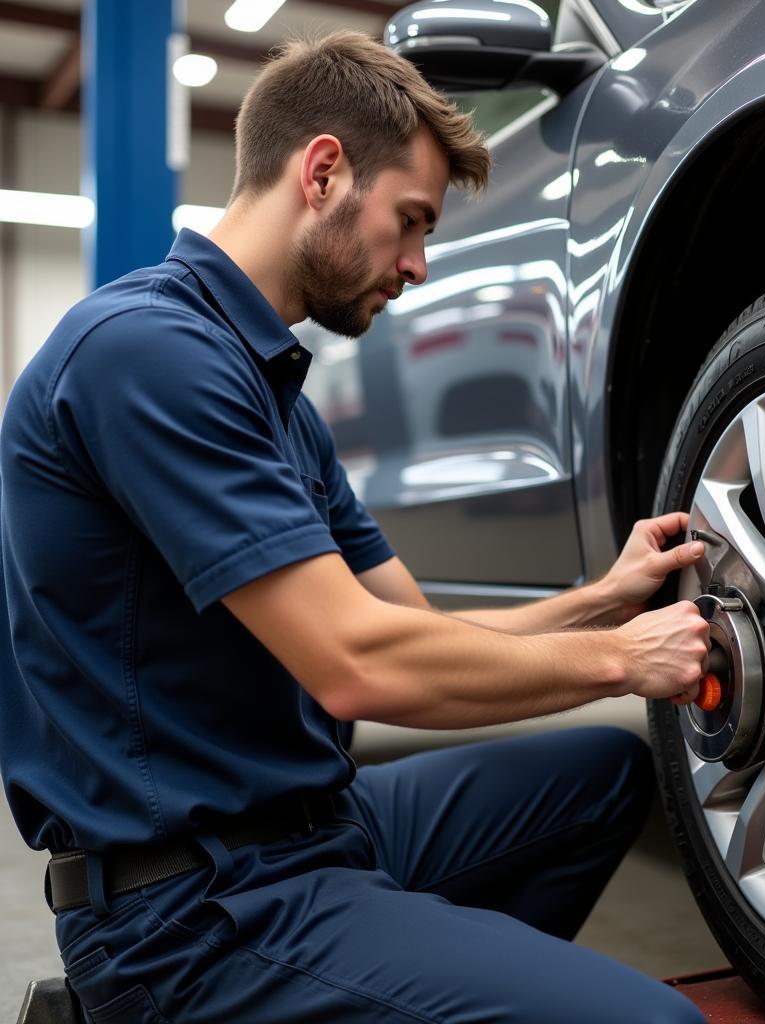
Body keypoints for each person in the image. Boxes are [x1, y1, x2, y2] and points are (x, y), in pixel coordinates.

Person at [0, 31, 711, 1024]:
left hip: (315, 825)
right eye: (411, 222)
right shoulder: (146, 354)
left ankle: (393, 981)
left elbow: (410, 625)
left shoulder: (273, 394)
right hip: (192, 908)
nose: (418, 265)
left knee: (599, 776)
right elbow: (358, 665)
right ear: (324, 172)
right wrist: (622, 663)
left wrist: (601, 604)